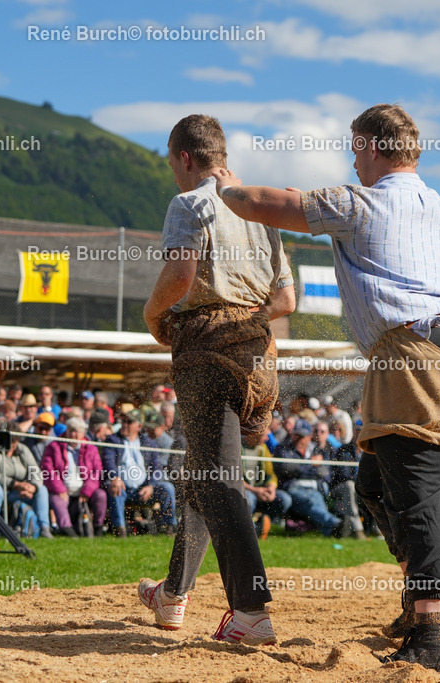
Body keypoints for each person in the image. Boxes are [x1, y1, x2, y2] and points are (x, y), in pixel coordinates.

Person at [215, 103, 440, 670]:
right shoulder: (432, 202)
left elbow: (272, 206)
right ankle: (419, 603)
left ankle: (434, 634)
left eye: (354, 145)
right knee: (375, 486)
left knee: (415, 493)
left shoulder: (360, 201)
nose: (350, 157)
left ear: (369, 146)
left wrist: (230, 189)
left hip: (414, 353)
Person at [137, 114, 295, 646]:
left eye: (170, 163)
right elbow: (287, 301)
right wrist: (247, 317)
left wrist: (152, 314)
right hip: (260, 358)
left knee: (217, 480)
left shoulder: (190, 205)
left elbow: (180, 276)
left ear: (185, 158)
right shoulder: (262, 211)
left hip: (209, 355)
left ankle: (250, 611)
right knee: (202, 474)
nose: (173, 175)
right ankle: (173, 594)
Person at [107, 409, 176, 537]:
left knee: (168, 488)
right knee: (114, 489)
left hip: (144, 490)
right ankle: (119, 530)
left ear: (139, 426)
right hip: (122, 488)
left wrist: (150, 485)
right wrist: (115, 477)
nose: (124, 424)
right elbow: (108, 461)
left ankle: (169, 528)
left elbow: (157, 468)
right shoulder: (112, 440)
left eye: (129, 422)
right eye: (123, 421)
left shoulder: (149, 443)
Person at [0, 418, 53, 540]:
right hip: (3, 490)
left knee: (42, 490)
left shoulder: (23, 449)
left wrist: (33, 487)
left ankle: (44, 529)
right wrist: (15, 484)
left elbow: (35, 471)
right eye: (10, 442)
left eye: (15, 442)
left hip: (21, 491)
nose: (13, 445)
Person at [40, 417, 105, 537]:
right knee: (57, 500)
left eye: (77, 431)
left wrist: (87, 490)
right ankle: (68, 530)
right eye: (71, 430)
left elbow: (97, 471)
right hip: (63, 488)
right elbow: (47, 469)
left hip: (84, 489)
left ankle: (98, 528)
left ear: (83, 433)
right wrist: (60, 489)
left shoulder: (91, 448)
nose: (73, 434)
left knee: (101, 495)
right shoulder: (54, 446)